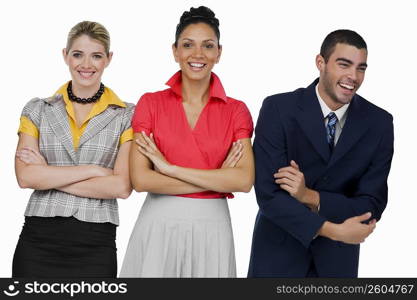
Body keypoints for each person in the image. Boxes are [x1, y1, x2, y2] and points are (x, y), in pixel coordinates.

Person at [120, 6, 254, 278]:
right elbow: (141, 180)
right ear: (175, 51)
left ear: (219, 53)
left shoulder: (236, 110)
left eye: (208, 45)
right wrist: (217, 179)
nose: (198, 54)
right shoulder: (151, 103)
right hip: (159, 223)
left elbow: (243, 181)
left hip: (212, 226)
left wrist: (170, 169)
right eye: (188, 45)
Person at [248, 29, 394, 277]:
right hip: (276, 261)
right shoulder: (278, 109)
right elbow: (269, 195)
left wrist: (310, 197)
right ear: (321, 63)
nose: (353, 76)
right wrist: (333, 229)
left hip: (337, 265)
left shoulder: (379, 122)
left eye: (361, 68)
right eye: (344, 64)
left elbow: (372, 204)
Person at [13, 21, 134, 278]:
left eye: (97, 56)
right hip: (37, 241)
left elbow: (121, 187)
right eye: (78, 54)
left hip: (95, 243)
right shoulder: (37, 110)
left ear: (109, 59)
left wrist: (48, 174)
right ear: (65, 55)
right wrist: (95, 170)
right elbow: (26, 177)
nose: (86, 64)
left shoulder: (127, 115)